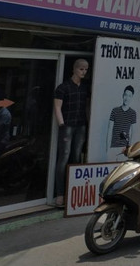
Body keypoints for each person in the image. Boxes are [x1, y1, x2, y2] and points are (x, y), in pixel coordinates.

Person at [53, 59, 90, 208]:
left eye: (86, 69)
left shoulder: (85, 88)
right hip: (67, 124)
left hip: (81, 124)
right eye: (81, 69)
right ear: (75, 69)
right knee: (64, 157)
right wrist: (61, 123)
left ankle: (73, 192)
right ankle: (60, 194)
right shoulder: (63, 87)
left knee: (76, 157)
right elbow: (57, 107)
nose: (83, 72)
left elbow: (86, 106)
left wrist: (88, 122)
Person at [106, 85, 137, 158]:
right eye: (126, 95)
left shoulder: (132, 113)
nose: (127, 98)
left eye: (129, 96)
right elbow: (109, 131)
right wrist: (107, 149)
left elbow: (133, 133)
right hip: (113, 147)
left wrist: (130, 149)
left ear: (132, 97)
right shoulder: (115, 111)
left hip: (124, 149)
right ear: (123, 95)